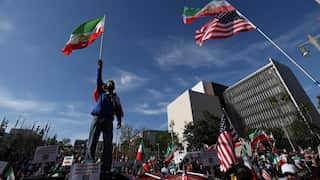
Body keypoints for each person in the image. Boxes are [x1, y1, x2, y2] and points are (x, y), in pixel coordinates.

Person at [85, 59, 123, 175]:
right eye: (109, 82)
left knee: (108, 143)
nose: (110, 83)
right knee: (92, 141)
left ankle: (106, 166)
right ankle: (89, 163)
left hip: (108, 121)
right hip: (97, 118)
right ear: (106, 85)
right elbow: (99, 79)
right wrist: (99, 68)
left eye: (112, 83)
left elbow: (118, 110)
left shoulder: (116, 98)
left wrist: (119, 121)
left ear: (114, 87)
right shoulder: (102, 91)